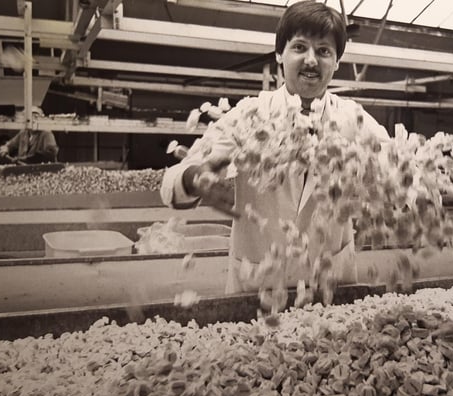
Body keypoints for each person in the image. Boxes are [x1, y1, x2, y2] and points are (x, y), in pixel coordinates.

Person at [161, 0, 389, 294]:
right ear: (280, 54)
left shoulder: (354, 120)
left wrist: (396, 190)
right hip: (259, 284)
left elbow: (400, 174)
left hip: (330, 282)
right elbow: (171, 184)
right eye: (299, 47)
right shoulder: (250, 115)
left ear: (336, 62)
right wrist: (194, 178)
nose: (311, 60)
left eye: (323, 51)